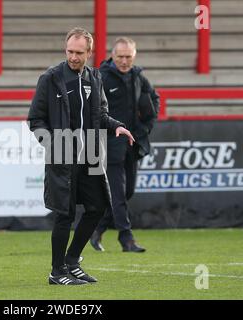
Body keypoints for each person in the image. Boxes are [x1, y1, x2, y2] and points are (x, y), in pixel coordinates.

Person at [28, 28, 135, 285]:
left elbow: (101, 114)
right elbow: (35, 120)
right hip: (62, 157)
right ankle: (57, 272)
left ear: (90, 52)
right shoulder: (51, 78)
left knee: (97, 207)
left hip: (91, 156)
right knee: (64, 215)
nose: (73, 57)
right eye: (70, 51)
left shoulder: (94, 77)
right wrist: (52, 145)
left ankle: (72, 261)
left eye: (79, 52)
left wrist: (116, 125)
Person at [90, 37, 159, 253]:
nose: (124, 61)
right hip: (108, 144)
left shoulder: (138, 77)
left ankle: (97, 228)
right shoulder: (100, 77)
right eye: (120, 56)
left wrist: (145, 128)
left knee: (127, 192)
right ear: (112, 55)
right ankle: (126, 238)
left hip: (132, 145)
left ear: (134, 56)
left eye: (128, 56)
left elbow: (154, 101)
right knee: (118, 194)